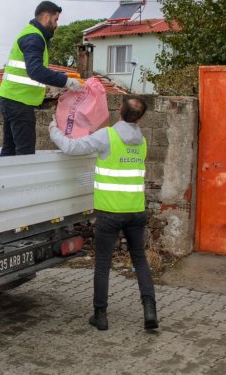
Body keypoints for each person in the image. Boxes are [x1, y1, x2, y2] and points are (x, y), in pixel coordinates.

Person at [49, 95, 158, 331]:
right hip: (136, 210)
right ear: (140, 117)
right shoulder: (142, 141)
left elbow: (71, 147)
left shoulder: (107, 136)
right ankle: (150, 311)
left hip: (110, 212)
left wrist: (53, 128)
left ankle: (100, 315)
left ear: (120, 110)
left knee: (103, 264)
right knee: (140, 261)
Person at [0, 1, 82, 156]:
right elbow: (35, 71)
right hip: (19, 102)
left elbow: (34, 69)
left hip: (11, 98)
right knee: (25, 152)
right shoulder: (34, 37)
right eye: (55, 20)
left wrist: (61, 76)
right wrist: (65, 82)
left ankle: (3, 180)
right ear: (45, 16)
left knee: (10, 150)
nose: (56, 25)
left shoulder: (31, 34)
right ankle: (21, 181)